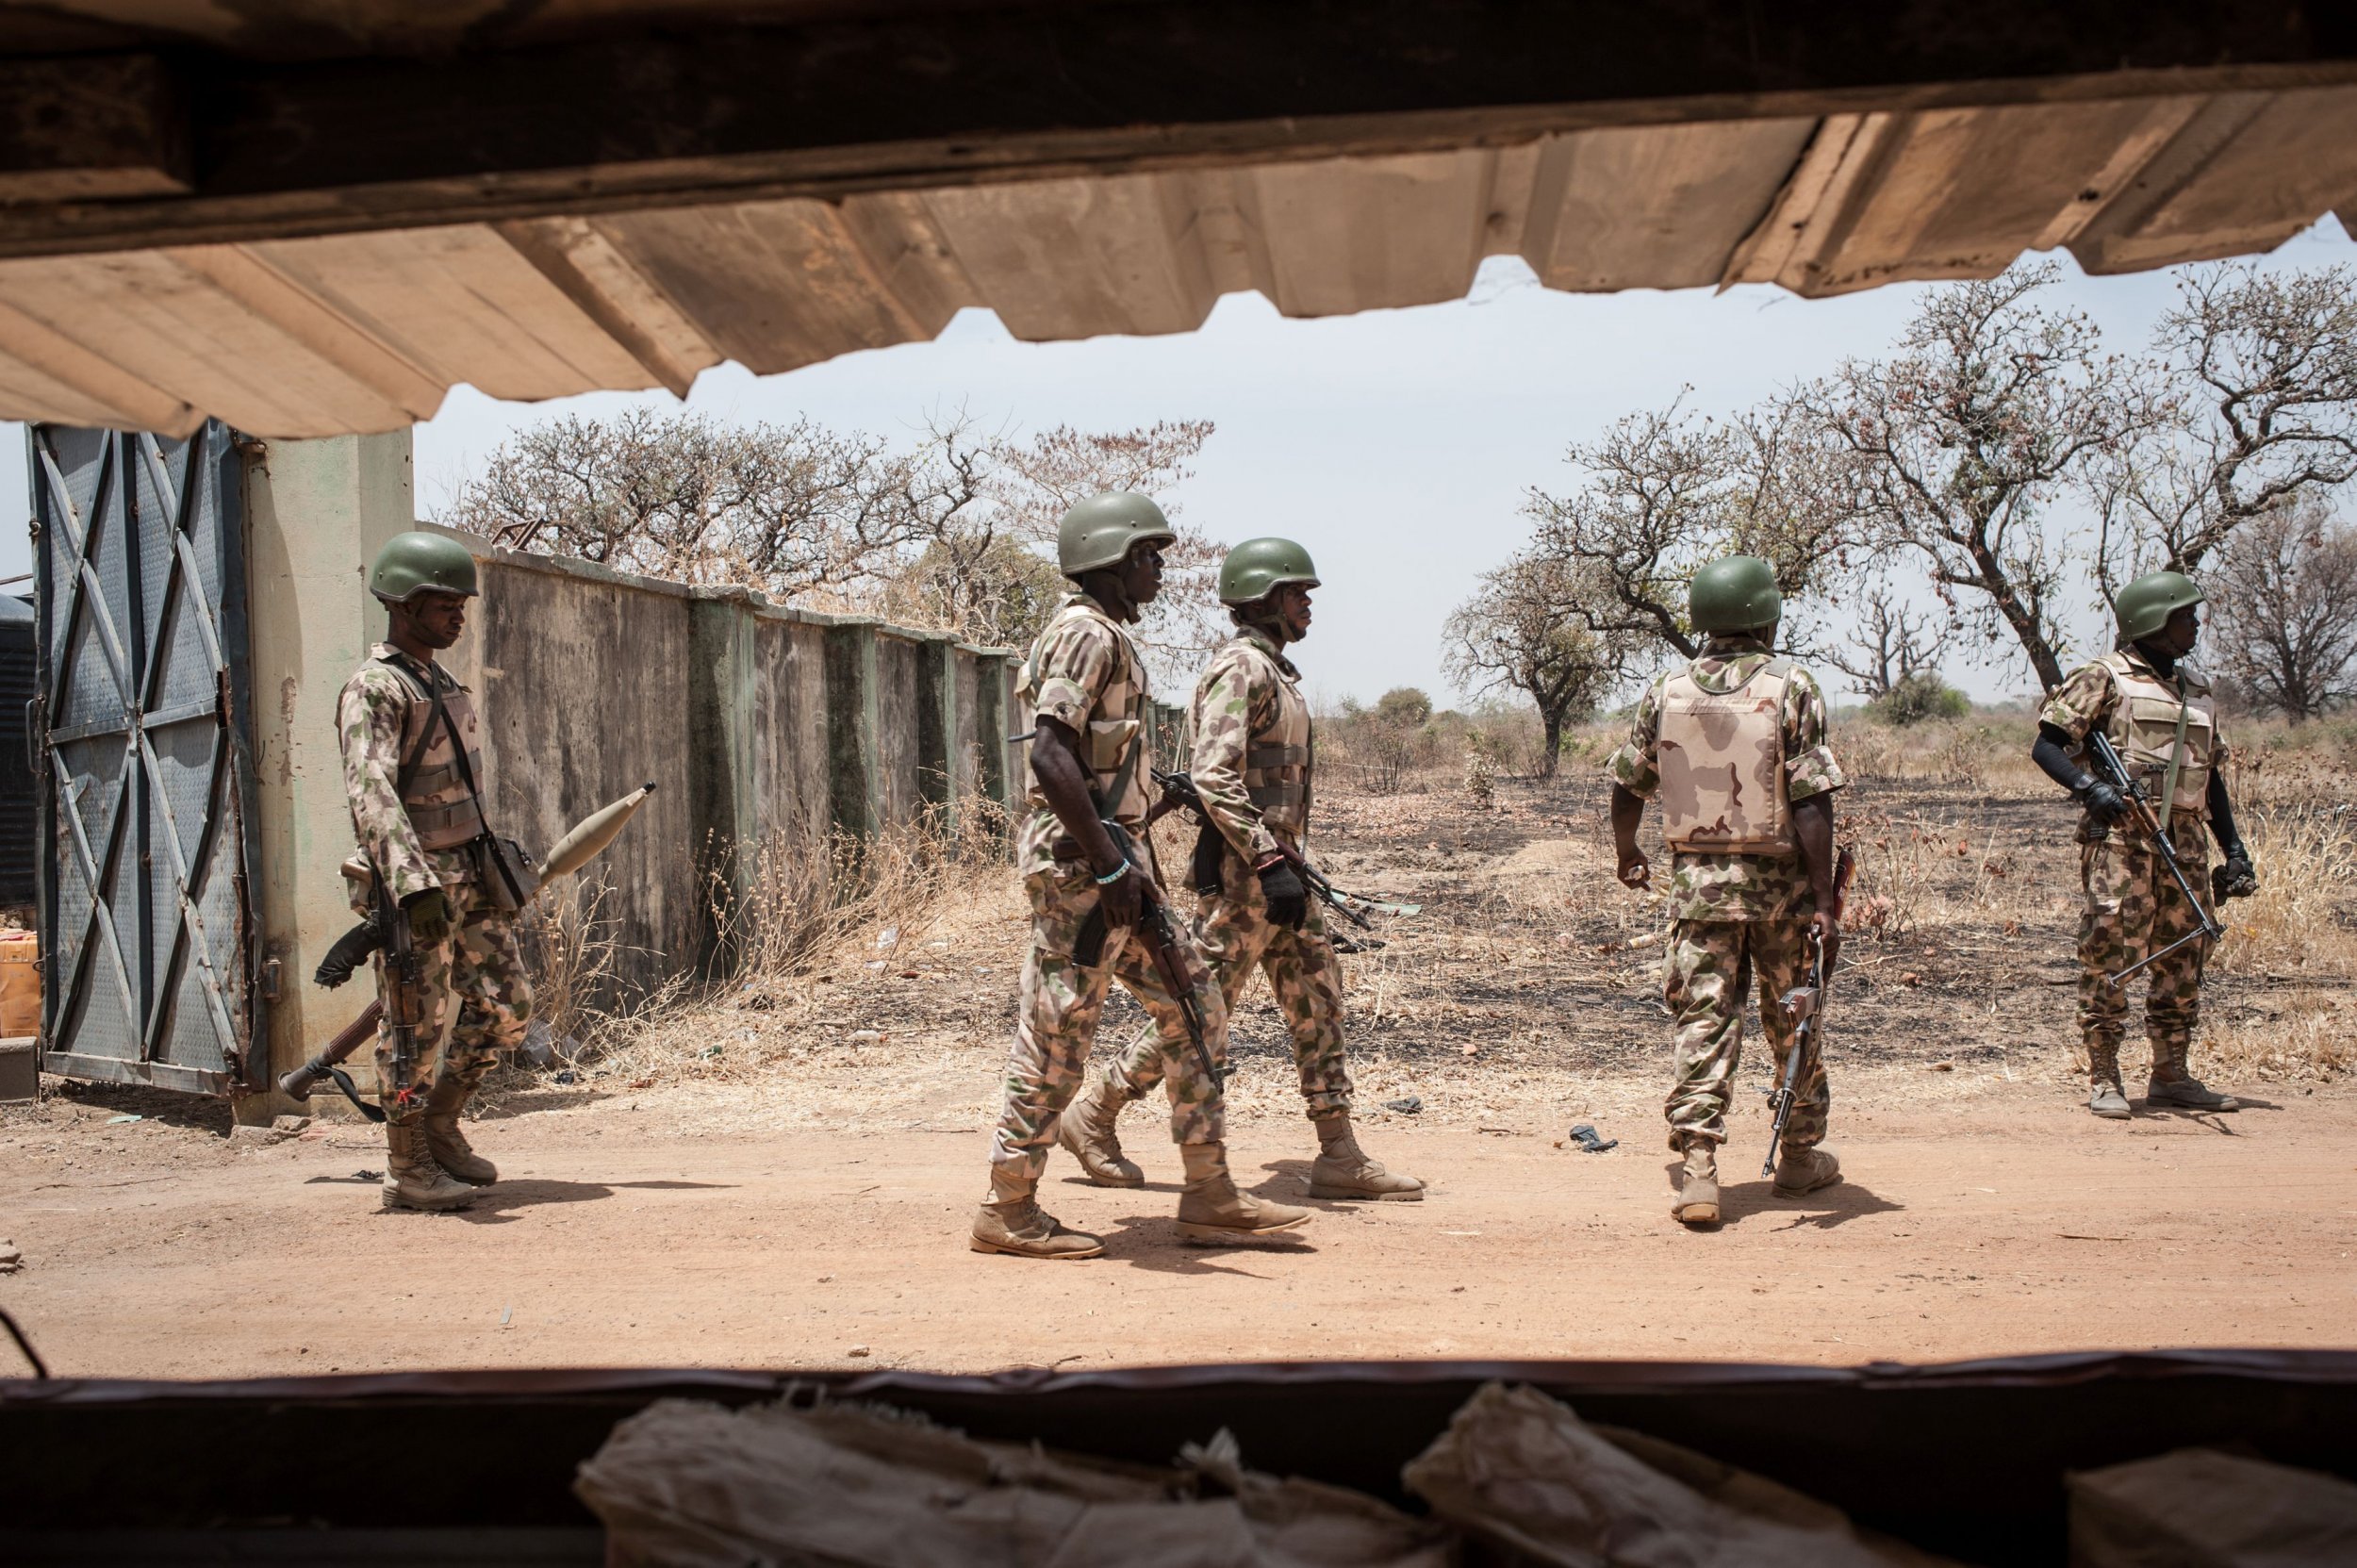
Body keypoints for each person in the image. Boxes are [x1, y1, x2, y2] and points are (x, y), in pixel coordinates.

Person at [973, 493, 1312, 1259]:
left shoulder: (1109, 638)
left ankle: (1208, 1191)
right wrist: (1112, 864)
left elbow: (1097, 768)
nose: (1160, 568)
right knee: (1058, 1039)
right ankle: (1009, 1206)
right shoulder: (1085, 636)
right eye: (1149, 555)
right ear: (1113, 559)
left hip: (1118, 874)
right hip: (1083, 878)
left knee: (1198, 1004)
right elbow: (1050, 756)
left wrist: (1156, 817)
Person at [1058, 538, 1424, 1201]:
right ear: (1266, 599)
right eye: (1298, 594)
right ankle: (1094, 1114)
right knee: (1201, 1008)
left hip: (1280, 874)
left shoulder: (1275, 673)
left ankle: (1338, 1151)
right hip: (1242, 878)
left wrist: (1285, 863)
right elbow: (1212, 774)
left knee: (1318, 998)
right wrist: (1262, 855)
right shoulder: (1241, 672)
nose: (1308, 605)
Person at [1604, 555, 1848, 1228]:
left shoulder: (1666, 690)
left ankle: (1700, 1170)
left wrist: (1628, 850)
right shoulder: (1792, 685)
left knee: (1704, 1023)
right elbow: (1811, 800)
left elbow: (1628, 784)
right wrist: (1825, 900)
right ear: (1765, 616)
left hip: (1699, 896)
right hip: (1781, 896)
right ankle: (1798, 1158)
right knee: (1791, 1020)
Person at [336, 531, 532, 1212]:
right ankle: (408, 1162)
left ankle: (442, 1126)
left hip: (471, 872)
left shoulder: (440, 681)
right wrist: (411, 882)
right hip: (415, 882)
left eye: (461, 605)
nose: (458, 616)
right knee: (413, 1025)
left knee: (509, 1009)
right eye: (444, 604)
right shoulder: (375, 687)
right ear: (404, 603)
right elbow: (372, 791)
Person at [2032, 570, 2254, 1118]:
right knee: (2109, 951)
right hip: (2122, 838)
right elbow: (2048, 745)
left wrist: (2235, 848)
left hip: (2186, 841)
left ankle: (2171, 1074)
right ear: (2154, 621)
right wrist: (2091, 789)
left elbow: (2211, 780)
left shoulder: (2194, 690)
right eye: (2185, 616)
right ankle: (2105, 1076)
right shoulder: (2103, 677)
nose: (2195, 624)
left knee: (2184, 953)